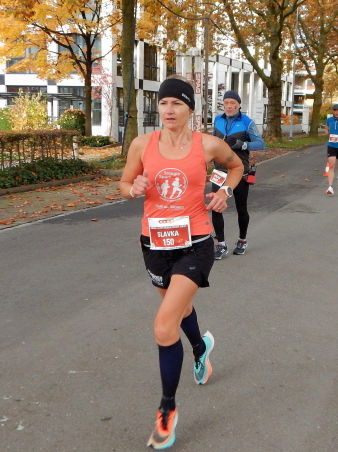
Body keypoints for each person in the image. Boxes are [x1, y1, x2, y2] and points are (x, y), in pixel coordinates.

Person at [119, 76, 244, 449]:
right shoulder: (142, 144)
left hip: (196, 242)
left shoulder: (208, 145)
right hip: (155, 243)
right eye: (163, 103)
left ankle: (167, 409)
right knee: (180, 308)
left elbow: (236, 167)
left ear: (190, 109)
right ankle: (200, 348)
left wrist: (224, 191)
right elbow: (124, 184)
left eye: (177, 103)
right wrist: (133, 189)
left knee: (163, 326)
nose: (169, 110)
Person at [211, 90, 265, 259]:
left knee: (241, 208)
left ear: (239, 105)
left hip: (239, 170)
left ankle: (242, 240)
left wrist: (243, 145)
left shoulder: (247, 122)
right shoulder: (218, 120)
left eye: (233, 103)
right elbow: (213, 141)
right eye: (226, 103)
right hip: (219, 171)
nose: (229, 106)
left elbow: (260, 144)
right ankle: (220, 244)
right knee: (216, 207)